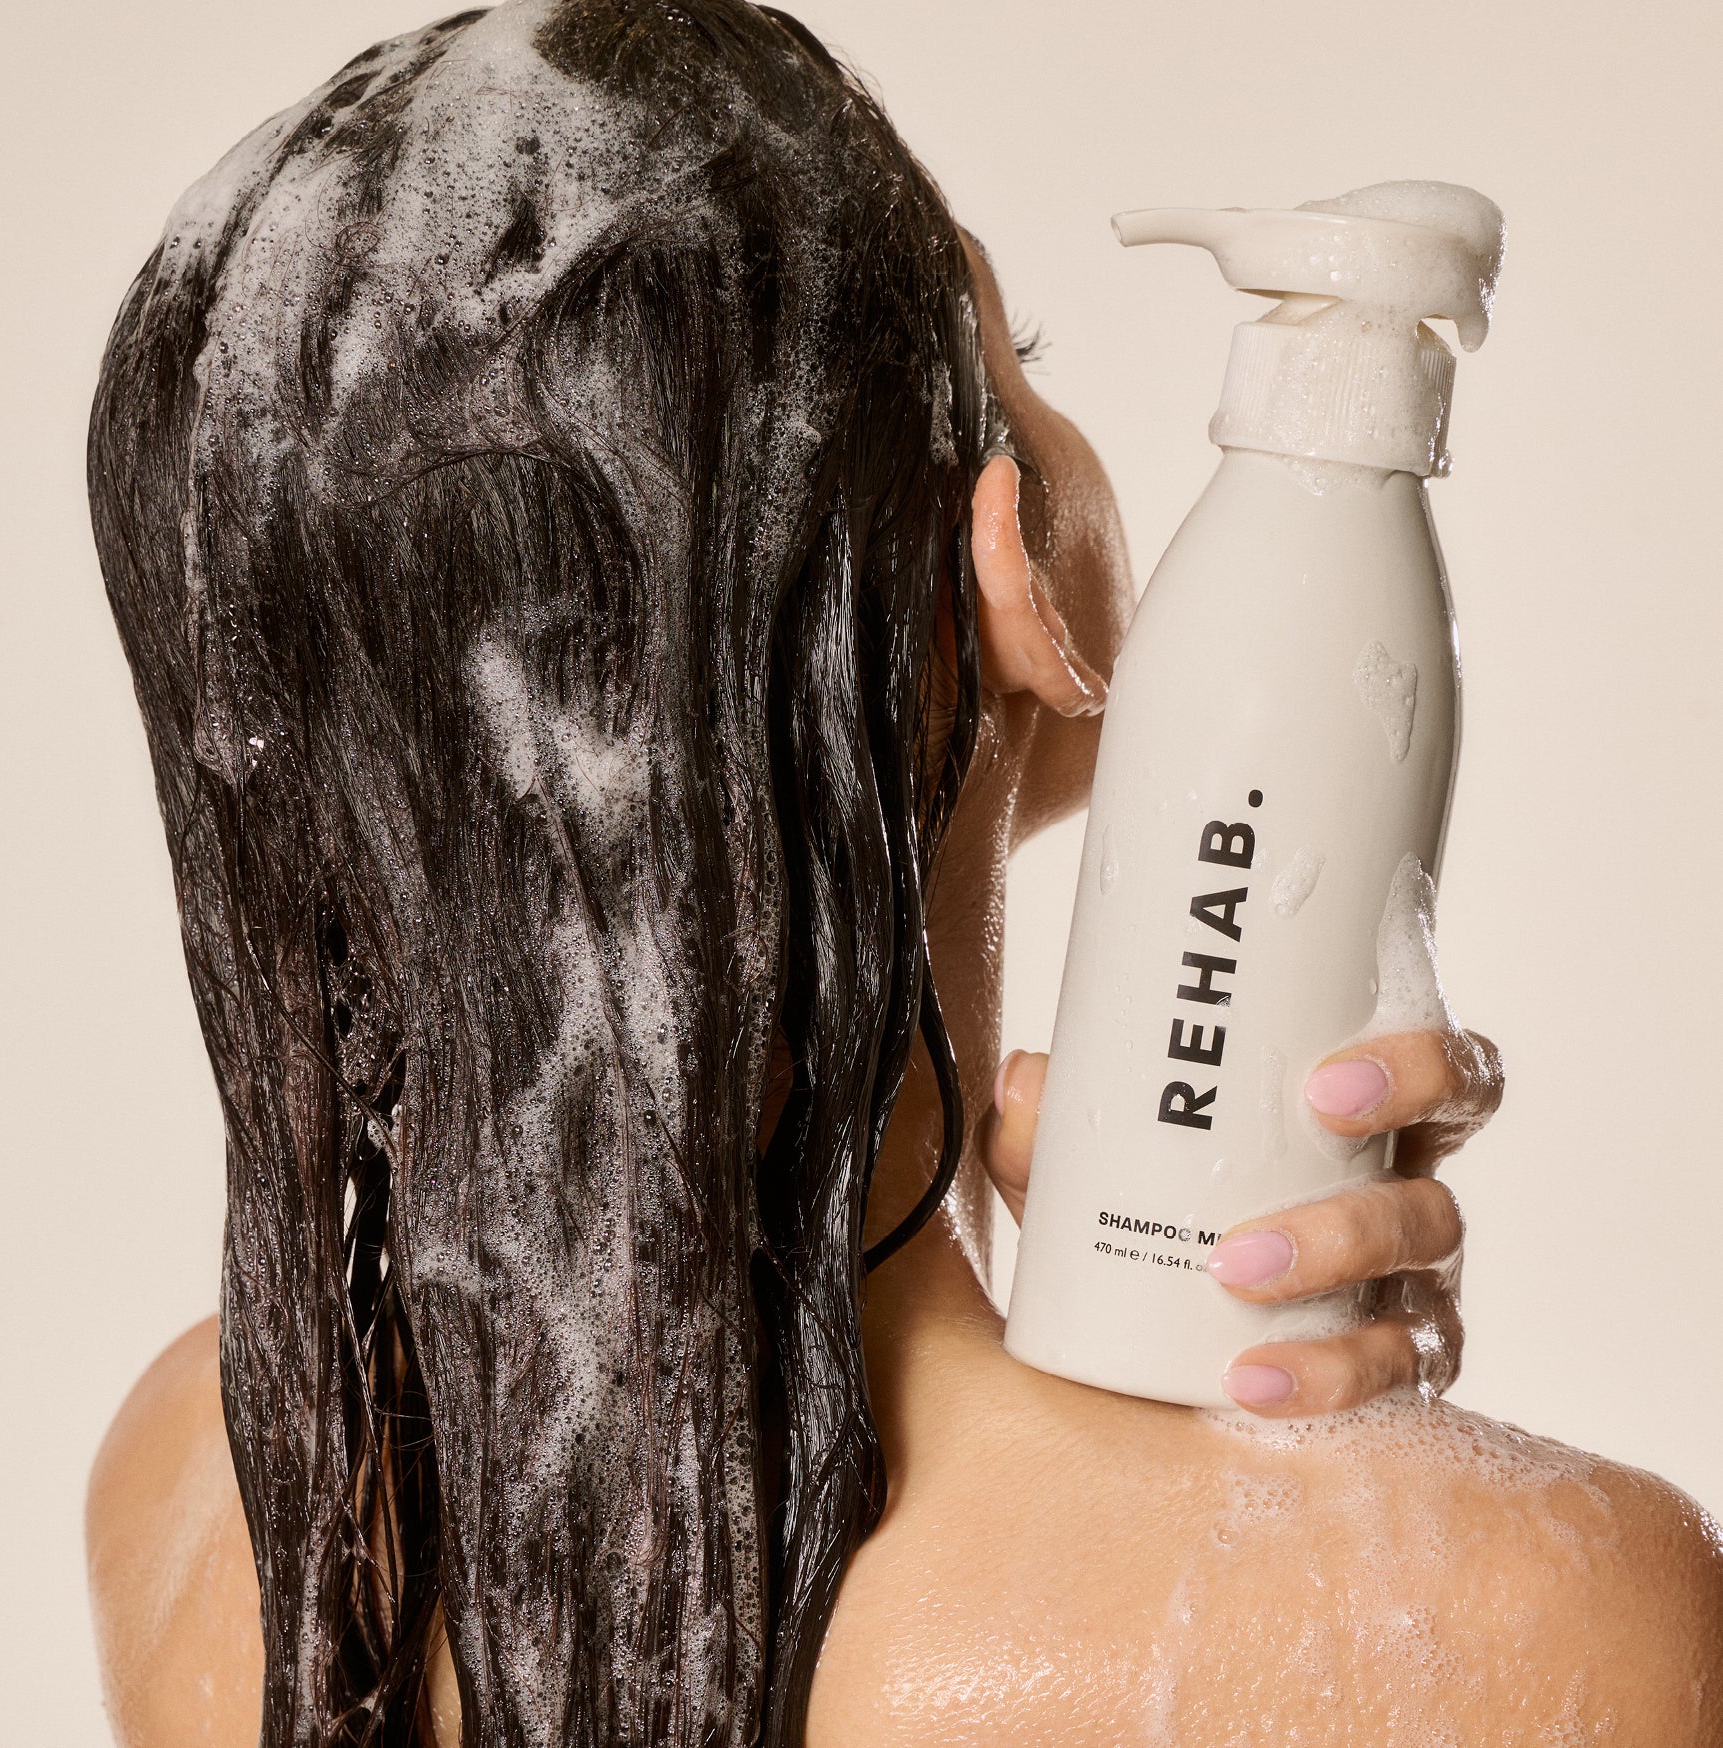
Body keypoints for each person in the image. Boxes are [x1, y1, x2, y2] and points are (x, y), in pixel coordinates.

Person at [84, 2, 1723, 1744]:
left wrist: (1148, 1292)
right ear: (998, 577)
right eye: (1022, 354)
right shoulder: (1504, 1616)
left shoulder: (219, 1491)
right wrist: (1318, 1488)